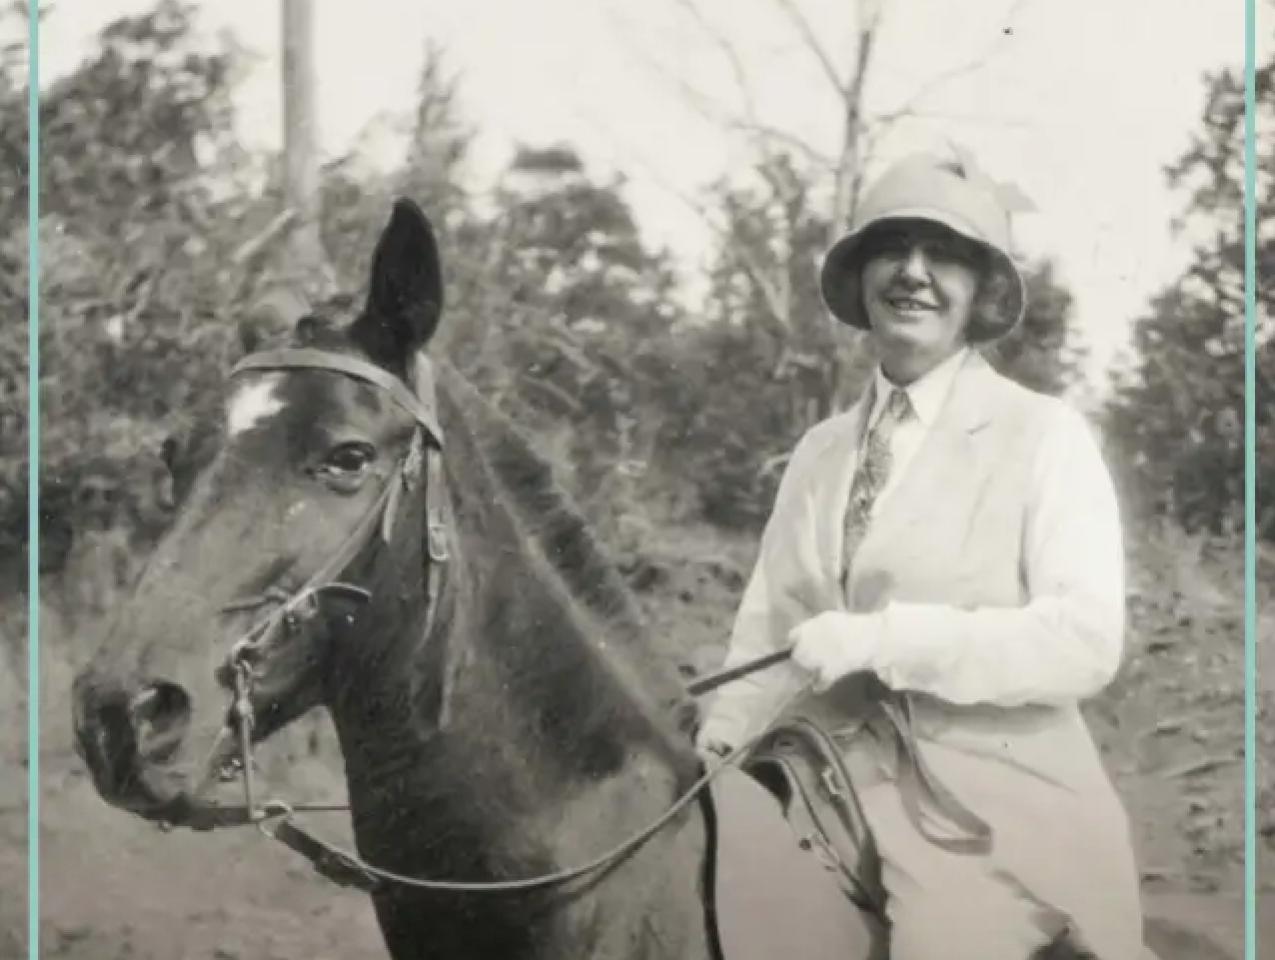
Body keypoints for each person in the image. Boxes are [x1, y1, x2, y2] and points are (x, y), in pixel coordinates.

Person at [695, 149, 1145, 960]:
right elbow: (768, 628)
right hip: (814, 773)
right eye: (891, 248)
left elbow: (1084, 642)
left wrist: (884, 639)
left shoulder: (1044, 436)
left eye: (942, 254)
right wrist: (718, 743)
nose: (912, 273)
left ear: (979, 291)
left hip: (982, 802)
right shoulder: (819, 452)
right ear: (861, 277)